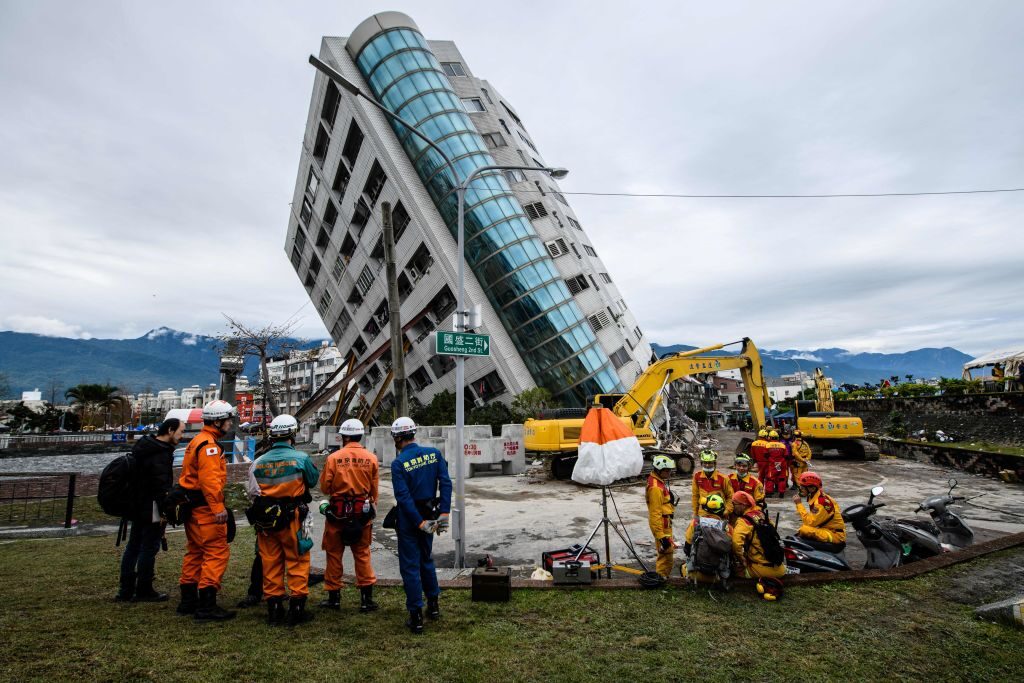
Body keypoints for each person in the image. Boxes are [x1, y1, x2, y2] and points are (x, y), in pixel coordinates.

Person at [247, 414, 320, 626]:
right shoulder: (301, 459)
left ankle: (274, 609)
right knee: (299, 558)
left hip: (266, 521)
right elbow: (313, 481)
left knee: (270, 562)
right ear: (293, 434)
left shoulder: (258, 462)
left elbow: (253, 493)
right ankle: (297, 609)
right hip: (298, 517)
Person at [176, 399, 237, 621]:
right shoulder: (210, 446)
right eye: (228, 419)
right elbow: (210, 480)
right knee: (216, 551)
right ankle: (207, 605)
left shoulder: (197, 441)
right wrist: (218, 507)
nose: (230, 423)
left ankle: (188, 600)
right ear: (218, 421)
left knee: (195, 551)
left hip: (192, 507)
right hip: (205, 509)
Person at [391, 416, 452, 635]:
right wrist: (443, 513)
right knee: (426, 559)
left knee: (410, 566)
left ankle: (416, 615)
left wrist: (418, 523)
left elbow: (403, 497)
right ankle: (433, 606)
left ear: (397, 437)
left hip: (411, 520)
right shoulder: (433, 455)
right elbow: (445, 482)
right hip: (431, 512)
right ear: (413, 433)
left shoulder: (398, 463)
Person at [116, 417, 185, 602]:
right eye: (180, 431)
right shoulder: (160, 454)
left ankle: (125, 589)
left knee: (133, 546)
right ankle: (144, 588)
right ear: (170, 430)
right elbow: (160, 487)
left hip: (135, 504)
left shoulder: (143, 447)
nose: (182, 436)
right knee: (149, 547)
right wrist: (164, 512)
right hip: (152, 507)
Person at [319, 418, 380, 613]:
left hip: (337, 513)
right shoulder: (371, 458)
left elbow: (325, 487)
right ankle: (366, 600)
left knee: (334, 554)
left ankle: (334, 598)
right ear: (360, 435)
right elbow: (374, 491)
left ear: (344, 436)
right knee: (362, 554)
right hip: (361, 514)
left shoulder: (333, 458)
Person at [731, 491, 785, 601]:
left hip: (760, 569)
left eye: (734, 504)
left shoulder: (743, 521)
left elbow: (736, 544)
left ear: (742, 505)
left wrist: (741, 560)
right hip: (780, 568)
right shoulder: (762, 515)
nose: (733, 507)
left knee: (730, 570)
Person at [683, 493, 733, 587]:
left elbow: (687, 547)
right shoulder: (727, 527)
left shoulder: (696, 523)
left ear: (705, 508)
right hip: (718, 576)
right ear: (721, 509)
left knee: (683, 566)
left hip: (696, 574)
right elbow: (731, 550)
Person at [792, 472, 846, 550]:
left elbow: (810, 523)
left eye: (802, 487)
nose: (800, 490)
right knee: (803, 531)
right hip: (828, 529)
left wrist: (799, 504)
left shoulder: (820, 503)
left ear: (812, 488)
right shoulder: (819, 496)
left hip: (836, 535)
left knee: (804, 530)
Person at [645, 454, 677, 577]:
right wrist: (661, 536)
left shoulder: (657, 481)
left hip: (665, 523)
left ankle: (662, 577)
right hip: (662, 526)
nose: (669, 473)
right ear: (659, 470)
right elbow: (655, 513)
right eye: (667, 470)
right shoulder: (656, 488)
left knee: (666, 553)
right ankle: (661, 578)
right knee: (666, 554)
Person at [691, 450, 734, 519]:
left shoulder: (723, 478)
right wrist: (695, 513)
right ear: (701, 463)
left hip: (719, 514)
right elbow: (695, 496)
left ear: (715, 463)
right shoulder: (697, 476)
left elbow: (730, 497)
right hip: (703, 514)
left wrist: (727, 510)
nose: (707, 465)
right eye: (705, 463)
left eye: (710, 463)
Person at [727, 454, 765, 520]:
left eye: (744, 466)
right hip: (731, 512)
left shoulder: (756, 483)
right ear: (735, 466)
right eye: (739, 465)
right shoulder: (728, 479)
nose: (741, 468)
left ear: (749, 467)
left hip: (747, 514)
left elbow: (760, 503)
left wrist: (752, 514)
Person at [764, 430, 790, 499]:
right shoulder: (783, 445)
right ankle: (781, 493)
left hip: (772, 464)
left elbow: (766, 455)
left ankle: (769, 493)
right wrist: (781, 461)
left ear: (770, 437)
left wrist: (773, 461)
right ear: (777, 437)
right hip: (782, 464)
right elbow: (786, 456)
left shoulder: (768, 445)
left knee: (770, 479)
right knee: (782, 478)